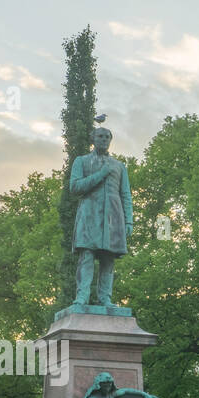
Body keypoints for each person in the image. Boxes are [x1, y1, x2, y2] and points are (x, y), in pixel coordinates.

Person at [69, 125, 133, 308]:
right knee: (87, 255)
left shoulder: (119, 166)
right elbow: (75, 187)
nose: (104, 139)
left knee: (108, 258)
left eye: (107, 136)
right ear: (93, 139)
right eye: (100, 136)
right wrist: (101, 174)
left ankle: (105, 298)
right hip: (89, 216)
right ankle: (82, 298)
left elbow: (126, 195)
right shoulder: (81, 161)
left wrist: (129, 220)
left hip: (113, 218)